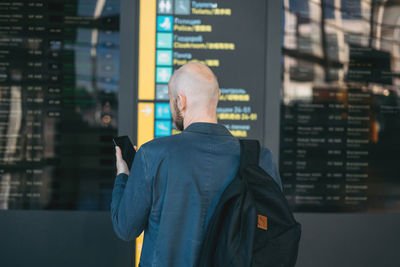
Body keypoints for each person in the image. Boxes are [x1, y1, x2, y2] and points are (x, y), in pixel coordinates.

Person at [111, 62, 282, 266]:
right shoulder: (259, 158)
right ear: (217, 95)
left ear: (180, 101)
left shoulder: (152, 155)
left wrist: (124, 176)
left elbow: (126, 228)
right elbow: (272, 227)